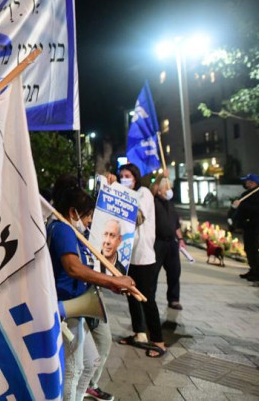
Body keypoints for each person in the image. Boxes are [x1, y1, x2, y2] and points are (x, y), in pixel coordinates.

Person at [48, 186, 135, 401]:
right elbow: (74, 268)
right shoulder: (63, 230)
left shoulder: (72, 230)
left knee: (90, 363)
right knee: (73, 369)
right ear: (72, 212)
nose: (89, 221)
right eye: (87, 215)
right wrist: (113, 281)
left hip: (76, 306)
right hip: (67, 307)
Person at [112, 163, 166, 358]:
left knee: (147, 300)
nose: (124, 178)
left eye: (127, 175)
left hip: (144, 257)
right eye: (121, 175)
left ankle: (158, 340)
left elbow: (139, 218)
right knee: (132, 297)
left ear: (135, 177)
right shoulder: (128, 193)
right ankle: (139, 333)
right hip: (129, 257)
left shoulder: (143, 193)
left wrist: (117, 193)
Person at [153, 176, 183, 309]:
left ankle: (174, 298)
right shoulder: (154, 202)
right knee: (153, 273)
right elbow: (152, 189)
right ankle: (149, 298)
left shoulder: (171, 204)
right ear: (159, 191)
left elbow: (176, 225)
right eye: (166, 188)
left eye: (170, 187)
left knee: (174, 271)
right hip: (157, 243)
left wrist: (181, 239)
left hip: (172, 243)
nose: (169, 190)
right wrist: (160, 178)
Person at [232, 173, 259, 282]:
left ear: (253, 183)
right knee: (248, 249)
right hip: (248, 226)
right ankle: (253, 269)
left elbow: (258, 210)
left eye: (247, 181)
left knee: (253, 249)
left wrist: (241, 205)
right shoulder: (248, 194)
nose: (245, 183)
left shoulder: (258, 196)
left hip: (256, 226)